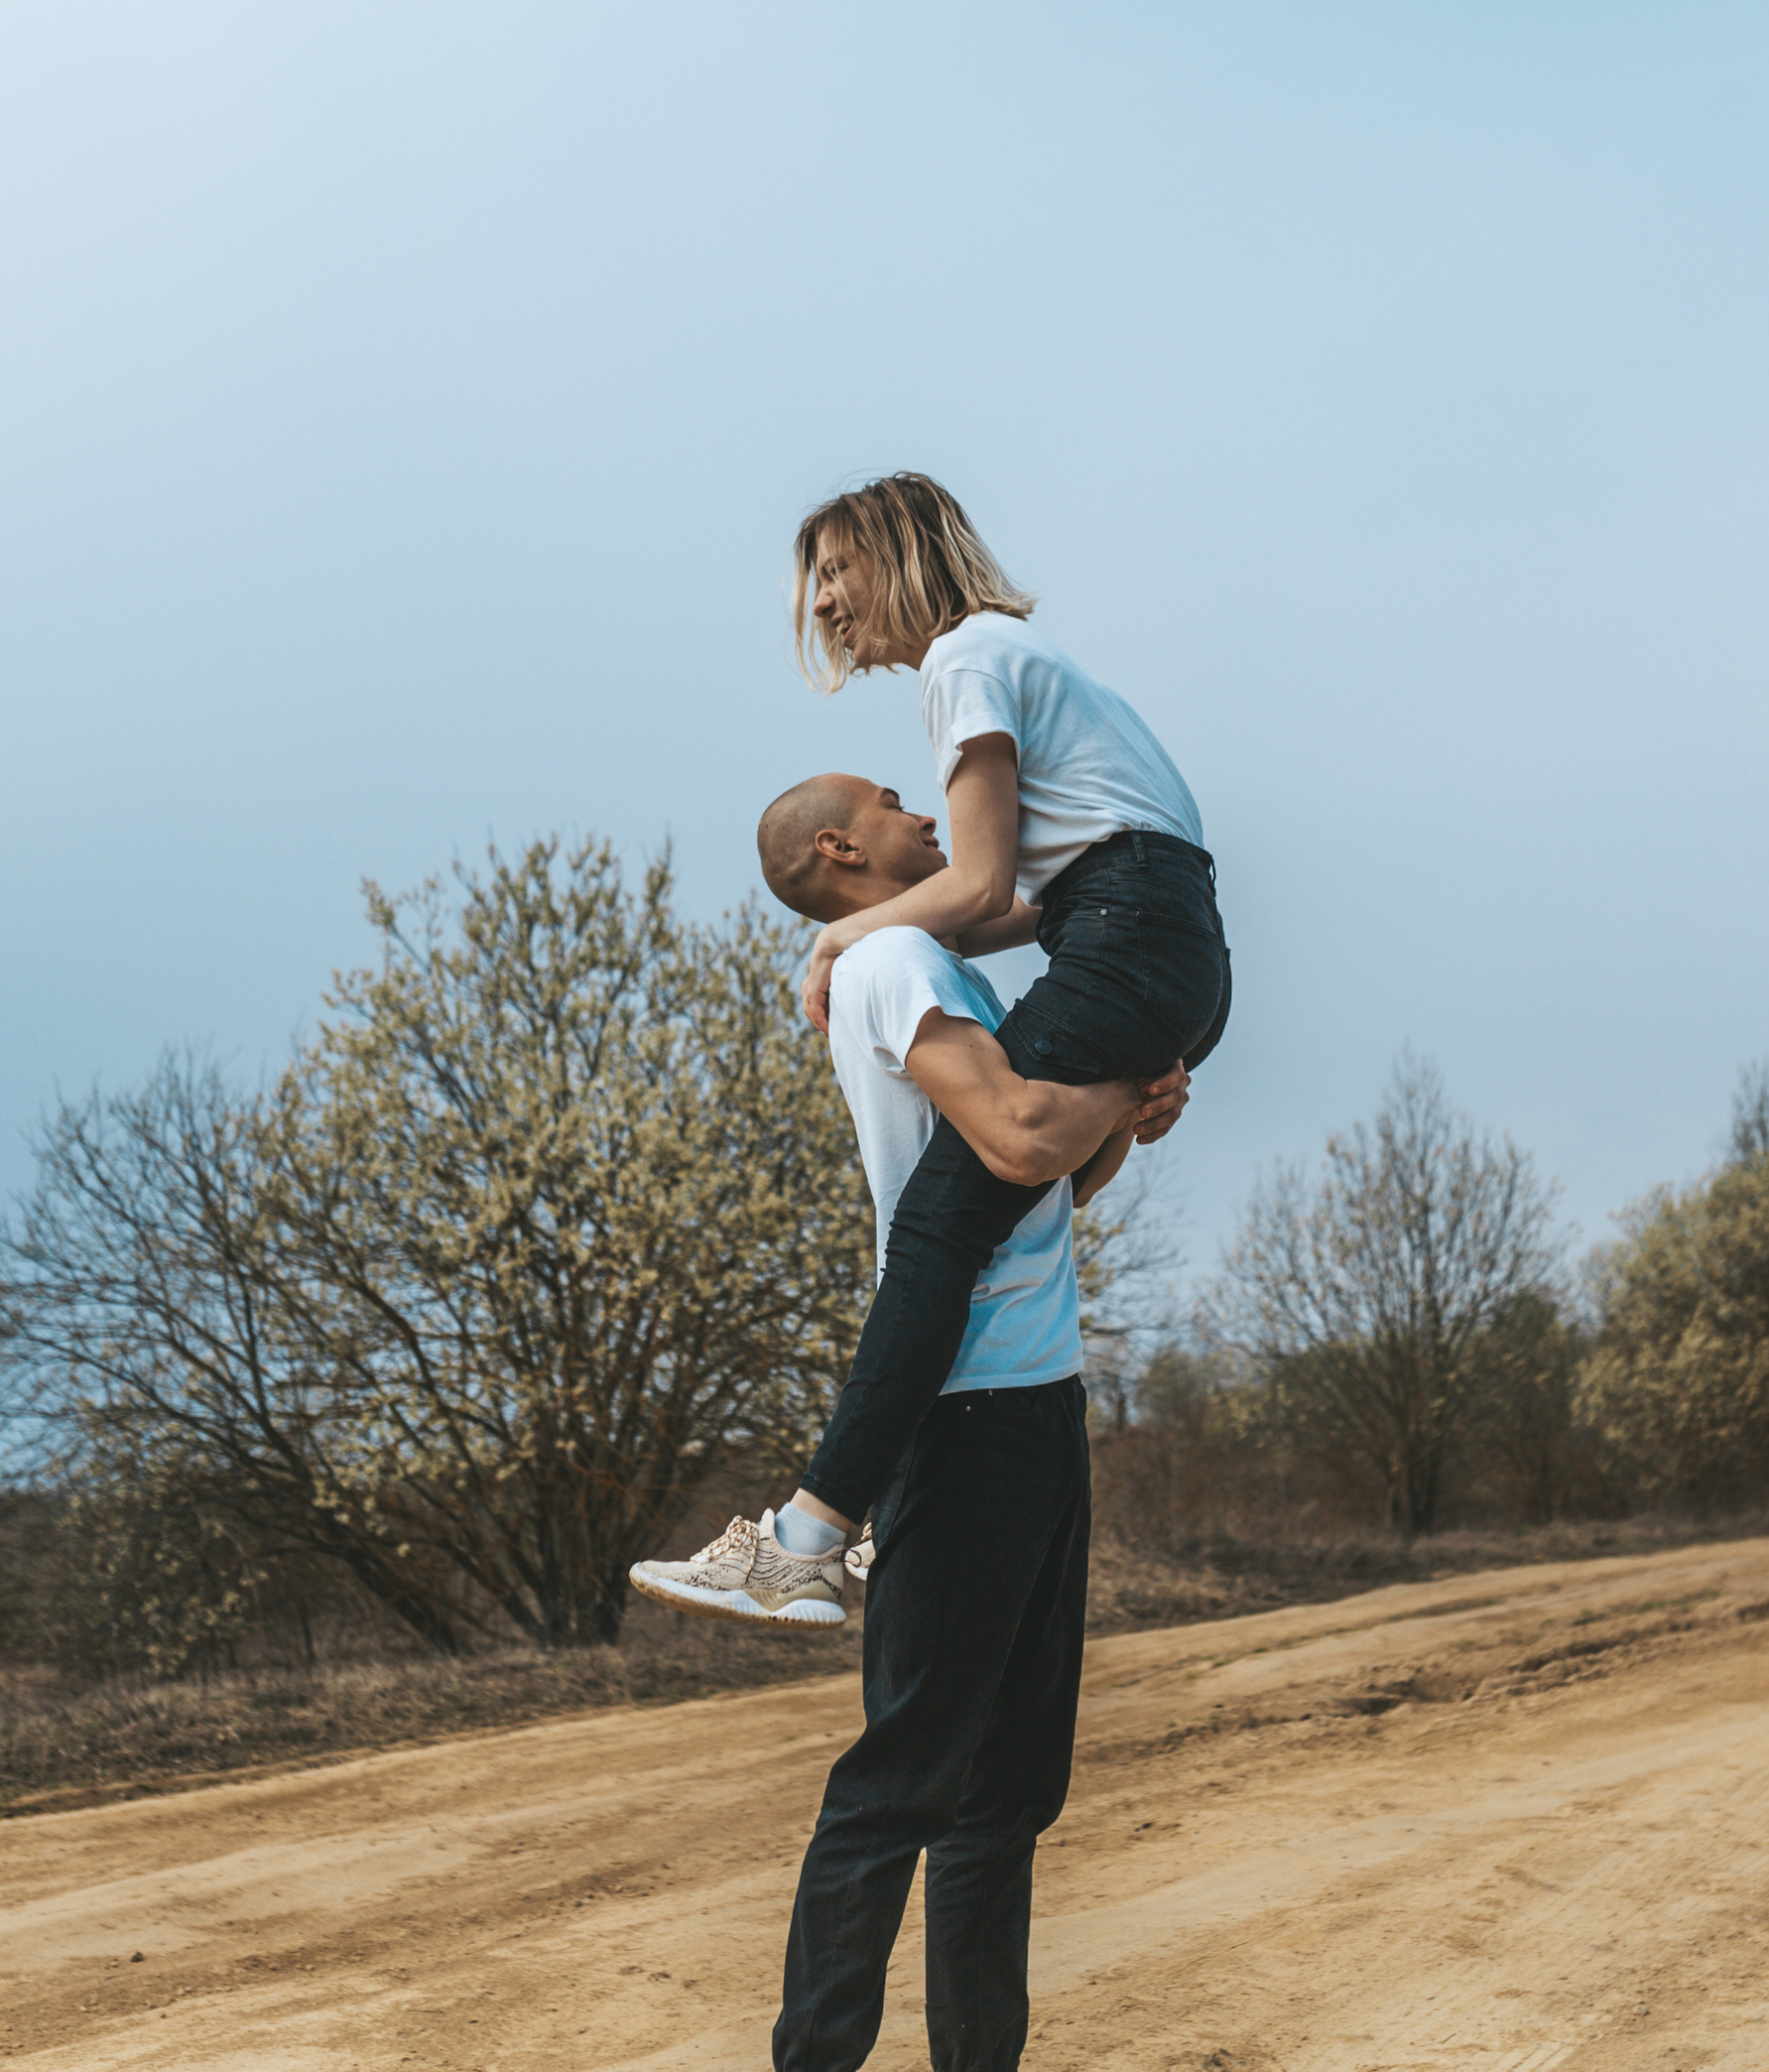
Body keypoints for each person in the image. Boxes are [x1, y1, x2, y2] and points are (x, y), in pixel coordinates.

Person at [632, 772, 1188, 2070]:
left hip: (1039, 1411)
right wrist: (1111, 1094)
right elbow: (1017, 1137)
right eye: (892, 801)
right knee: (903, 1783)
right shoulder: (891, 966)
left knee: (1006, 1795)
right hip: (966, 1415)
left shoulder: (934, 964)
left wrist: (1127, 1123)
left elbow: (1048, 1188)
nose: (925, 810)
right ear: (840, 848)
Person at [786, 473, 1230, 1564]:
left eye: (837, 572)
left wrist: (842, 936)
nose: (825, 606)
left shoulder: (966, 657)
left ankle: (811, 1533)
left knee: (935, 1224)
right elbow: (1021, 906)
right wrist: (1135, 1073)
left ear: (898, 554)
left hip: (1126, 925)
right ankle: (849, 1525)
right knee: (996, 1190)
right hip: (1155, 935)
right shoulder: (1004, 657)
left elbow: (980, 888)